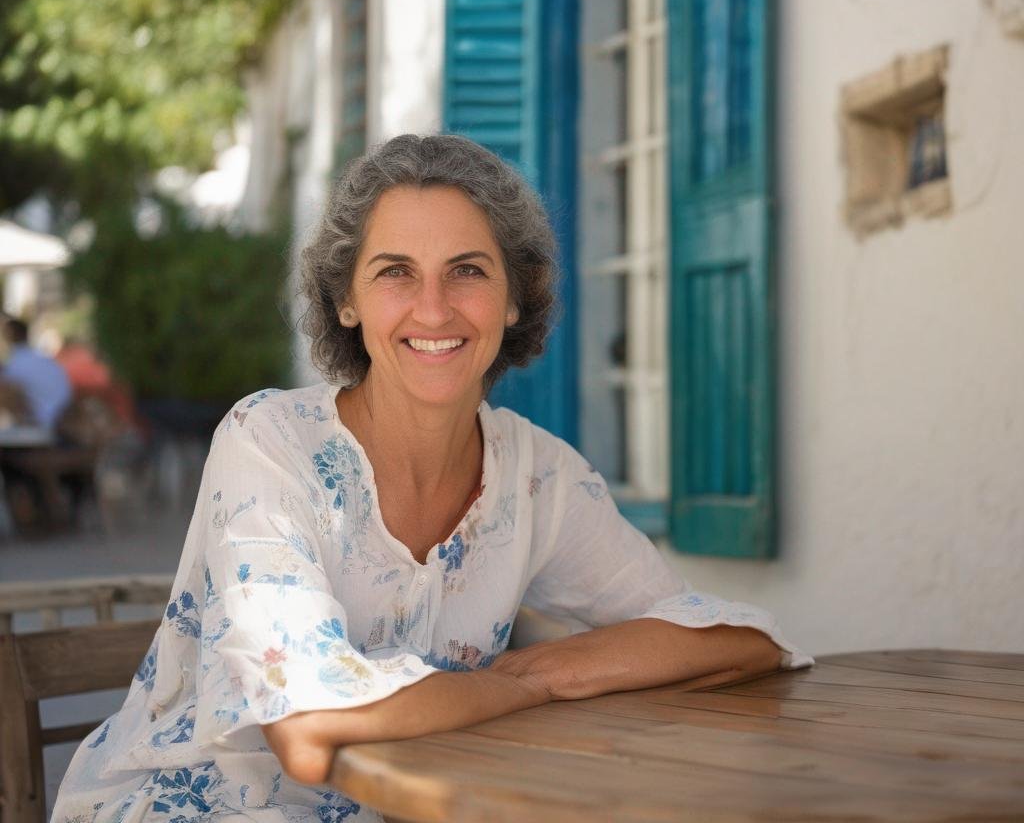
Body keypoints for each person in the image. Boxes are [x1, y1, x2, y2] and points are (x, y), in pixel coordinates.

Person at [53, 134, 812, 823]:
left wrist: (536, 672)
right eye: (394, 273)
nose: (433, 307)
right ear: (345, 300)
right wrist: (524, 685)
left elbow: (735, 640)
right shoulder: (269, 443)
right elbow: (310, 730)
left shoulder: (537, 475)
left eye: (468, 271)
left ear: (516, 297)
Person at [0, 317, 72, 432]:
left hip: (46, 422)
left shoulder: (16, 364)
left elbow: (6, 391)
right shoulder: (42, 358)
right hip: (63, 418)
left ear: (9, 335)